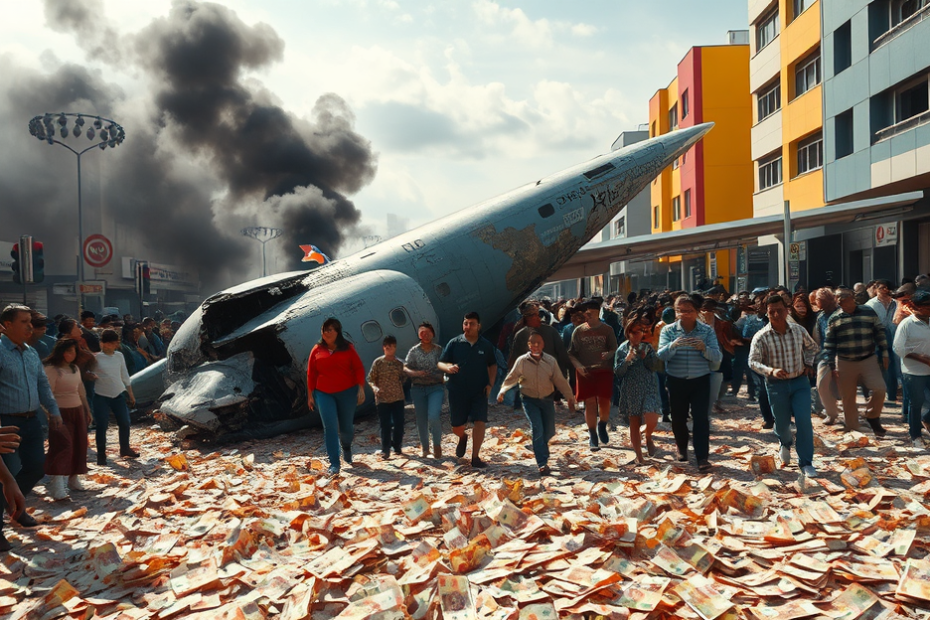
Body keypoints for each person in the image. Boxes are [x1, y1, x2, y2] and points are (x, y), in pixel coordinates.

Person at [0, 304, 63, 545]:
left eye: (31, 321)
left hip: (32, 420)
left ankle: (14, 507)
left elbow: (42, 386)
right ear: (7, 325)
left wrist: (53, 411)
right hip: (6, 423)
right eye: (24, 321)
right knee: (5, 475)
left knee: (37, 468)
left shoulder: (30, 352)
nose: (30, 326)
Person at [749, 295, 820, 476]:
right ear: (767, 313)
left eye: (779, 310)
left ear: (787, 310)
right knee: (781, 424)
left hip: (799, 382)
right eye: (772, 312)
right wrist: (770, 370)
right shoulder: (761, 336)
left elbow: (813, 347)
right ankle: (785, 442)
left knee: (804, 421)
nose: (776, 315)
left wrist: (808, 363)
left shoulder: (798, 330)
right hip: (776, 385)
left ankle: (806, 462)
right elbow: (753, 362)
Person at [657, 295, 722, 470]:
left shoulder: (706, 331)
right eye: (680, 311)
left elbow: (717, 356)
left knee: (701, 418)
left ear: (697, 312)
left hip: (700, 380)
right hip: (676, 380)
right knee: (678, 417)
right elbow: (661, 356)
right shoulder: (668, 331)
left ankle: (702, 457)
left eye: (688, 311)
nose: (684, 314)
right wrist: (673, 345)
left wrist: (704, 349)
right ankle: (682, 447)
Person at [498, 331, 575, 475]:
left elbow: (559, 380)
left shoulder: (550, 361)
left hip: (546, 399)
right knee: (537, 428)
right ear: (528, 345)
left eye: (538, 343)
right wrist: (502, 391)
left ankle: (539, 446)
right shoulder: (522, 361)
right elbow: (512, 377)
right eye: (532, 343)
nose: (535, 346)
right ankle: (542, 462)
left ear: (543, 344)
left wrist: (570, 397)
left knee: (549, 431)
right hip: (529, 399)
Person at [824, 288, 889, 435]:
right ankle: (852, 425)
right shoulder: (835, 318)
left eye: (845, 301)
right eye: (839, 302)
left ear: (852, 299)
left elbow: (879, 331)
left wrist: (884, 352)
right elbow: (829, 344)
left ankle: (872, 416)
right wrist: (831, 366)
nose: (842, 304)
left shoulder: (868, 311)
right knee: (848, 396)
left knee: (880, 388)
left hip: (868, 358)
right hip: (845, 361)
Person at [306, 318, 366, 476]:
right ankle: (334, 463)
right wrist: (310, 395)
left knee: (346, 427)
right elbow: (311, 373)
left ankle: (346, 446)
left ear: (337, 332)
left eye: (330, 330)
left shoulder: (348, 348)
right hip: (324, 393)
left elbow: (358, 368)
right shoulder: (317, 350)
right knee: (330, 427)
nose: (326, 333)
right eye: (324, 329)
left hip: (347, 392)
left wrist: (361, 387)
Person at [438, 312, 498, 468]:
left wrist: (490, 385)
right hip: (457, 391)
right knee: (456, 426)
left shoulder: (486, 345)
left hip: (479, 391)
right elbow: (440, 364)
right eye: (466, 323)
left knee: (480, 421)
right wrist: (448, 367)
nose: (468, 327)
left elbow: (492, 365)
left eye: (471, 324)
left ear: (479, 326)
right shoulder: (454, 343)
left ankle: (475, 457)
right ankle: (463, 437)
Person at [43, 338, 94, 500]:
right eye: (67, 351)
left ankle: (73, 478)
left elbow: (81, 391)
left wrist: (87, 410)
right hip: (59, 412)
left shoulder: (75, 369)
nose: (70, 355)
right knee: (63, 445)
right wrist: (50, 414)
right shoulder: (52, 369)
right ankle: (57, 483)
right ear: (60, 352)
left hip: (77, 409)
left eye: (73, 351)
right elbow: (46, 394)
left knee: (80, 444)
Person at [568, 301, 618, 452]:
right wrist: (578, 366)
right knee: (589, 403)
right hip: (586, 372)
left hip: (604, 371)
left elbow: (614, 348)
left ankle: (602, 424)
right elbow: (571, 353)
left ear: (597, 312)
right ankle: (592, 435)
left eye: (590, 313)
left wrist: (608, 354)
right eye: (586, 313)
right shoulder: (579, 331)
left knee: (604, 402)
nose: (587, 316)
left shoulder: (607, 330)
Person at [614, 318, 662, 463]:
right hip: (631, 389)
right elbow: (617, 372)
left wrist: (646, 357)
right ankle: (639, 457)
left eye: (639, 332)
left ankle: (648, 436)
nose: (636, 335)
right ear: (628, 333)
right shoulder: (622, 349)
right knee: (634, 421)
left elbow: (655, 366)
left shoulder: (647, 348)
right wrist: (627, 360)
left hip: (648, 386)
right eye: (633, 332)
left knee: (652, 416)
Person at [93, 329, 139, 464]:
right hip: (101, 395)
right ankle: (101, 454)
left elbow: (124, 375)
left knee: (125, 422)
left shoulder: (119, 356)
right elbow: (88, 374)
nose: (112, 346)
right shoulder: (96, 358)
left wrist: (130, 393)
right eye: (110, 343)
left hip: (118, 393)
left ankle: (125, 448)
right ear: (103, 343)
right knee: (102, 425)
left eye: (114, 343)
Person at [893, 290, 930, 449]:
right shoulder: (907, 324)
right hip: (913, 372)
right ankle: (915, 435)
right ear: (918, 307)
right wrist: (921, 358)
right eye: (927, 306)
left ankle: (926, 419)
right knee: (916, 404)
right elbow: (898, 348)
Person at [404, 322, 445, 459]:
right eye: (422, 333)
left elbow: (446, 365)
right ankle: (425, 448)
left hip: (435, 388)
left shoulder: (439, 350)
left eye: (428, 332)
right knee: (421, 419)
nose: (425, 335)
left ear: (433, 334)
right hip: (418, 389)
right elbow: (406, 367)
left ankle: (437, 445)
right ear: (419, 335)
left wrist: (445, 376)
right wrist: (415, 373)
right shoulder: (414, 351)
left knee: (433, 416)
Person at [368, 335, 406, 460]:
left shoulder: (399, 364)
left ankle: (397, 445)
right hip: (382, 399)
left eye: (394, 347)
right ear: (384, 347)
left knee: (399, 424)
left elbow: (404, 378)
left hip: (397, 398)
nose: (391, 350)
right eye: (389, 347)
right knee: (385, 425)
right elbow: (371, 379)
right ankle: (385, 449)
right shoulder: (378, 363)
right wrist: (375, 388)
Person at [866, 279, 900, 406]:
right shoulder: (870, 304)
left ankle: (891, 394)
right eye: (882, 288)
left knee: (892, 365)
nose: (885, 291)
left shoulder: (896, 303)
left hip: (894, 336)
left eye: (887, 288)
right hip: (877, 338)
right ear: (876, 289)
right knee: (880, 364)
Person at [812, 288, 842, 425]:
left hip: (842, 354)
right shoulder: (820, 317)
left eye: (819, 301)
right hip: (825, 354)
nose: (817, 303)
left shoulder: (841, 314)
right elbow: (817, 338)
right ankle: (831, 413)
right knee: (821, 384)